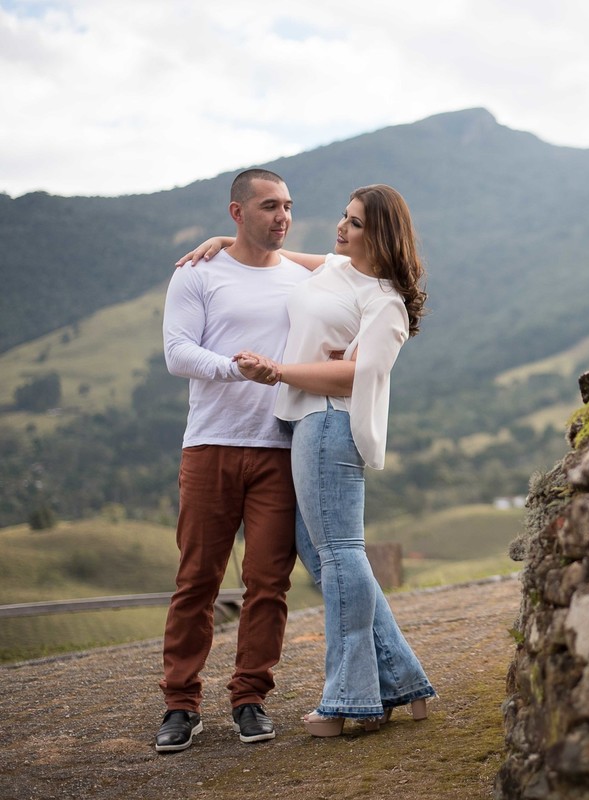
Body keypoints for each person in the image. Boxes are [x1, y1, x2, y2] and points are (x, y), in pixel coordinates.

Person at [181, 183, 437, 737]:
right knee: (323, 558)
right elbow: (276, 256)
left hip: (328, 423)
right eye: (344, 216)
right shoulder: (336, 268)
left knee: (340, 555)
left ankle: (349, 698)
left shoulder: (385, 302)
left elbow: (355, 375)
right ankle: (401, 680)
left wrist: (280, 371)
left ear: (381, 236)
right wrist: (227, 240)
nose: (341, 227)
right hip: (303, 423)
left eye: (355, 223)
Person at [157, 168, 311, 753]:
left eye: (287, 205)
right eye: (269, 206)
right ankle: (180, 704)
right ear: (237, 212)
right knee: (196, 580)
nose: (282, 216)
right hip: (210, 446)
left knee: (268, 583)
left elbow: (356, 267)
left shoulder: (302, 278)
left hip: (280, 447)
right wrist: (234, 368)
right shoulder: (197, 273)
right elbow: (177, 353)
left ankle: (250, 699)